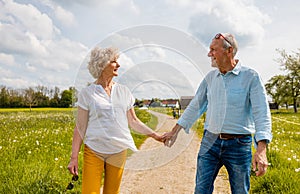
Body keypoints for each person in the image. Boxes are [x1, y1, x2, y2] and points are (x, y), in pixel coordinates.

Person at [163, 33, 272, 194]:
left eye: (213, 49)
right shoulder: (210, 78)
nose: (209, 54)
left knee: (240, 191)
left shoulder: (250, 77)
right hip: (210, 142)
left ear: (229, 51)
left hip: (239, 145)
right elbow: (195, 106)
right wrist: (174, 131)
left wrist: (261, 149)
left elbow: (261, 113)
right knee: (201, 190)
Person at [67, 46, 163, 194]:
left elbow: (134, 121)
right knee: (89, 191)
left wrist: (156, 136)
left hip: (118, 150)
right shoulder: (87, 93)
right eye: (114, 61)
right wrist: (74, 157)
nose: (118, 65)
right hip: (94, 150)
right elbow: (80, 127)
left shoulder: (124, 91)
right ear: (101, 64)